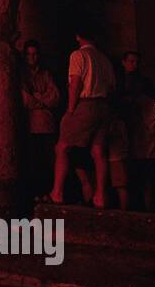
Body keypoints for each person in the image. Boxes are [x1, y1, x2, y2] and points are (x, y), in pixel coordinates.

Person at [49, 27, 116, 207]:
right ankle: (100, 196)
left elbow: (76, 83)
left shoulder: (78, 56)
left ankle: (57, 192)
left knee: (62, 147)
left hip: (84, 104)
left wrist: (71, 109)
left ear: (78, 36)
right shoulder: (104, 59)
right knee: (98, 151)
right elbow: (111, 87)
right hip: (103, 106)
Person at [118, 51, 155, 210]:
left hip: (143, 141)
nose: (134, 65)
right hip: (130, 141)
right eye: (131, 61)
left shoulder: (146, 95)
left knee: (145, 179)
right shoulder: (120, 83)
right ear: (124, 62)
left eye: (137, 62)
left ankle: (146, 209)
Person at [21, 41, 60, 199]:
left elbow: (55, 97)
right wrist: (42, 99)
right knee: (32, 162)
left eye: (35, 54)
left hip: (47, 125)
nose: (32, 57)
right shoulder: (22, 75)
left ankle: (46, 192)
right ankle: (34, 193)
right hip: (30, 125)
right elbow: (25, 100)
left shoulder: (46, 74)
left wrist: (38, 98)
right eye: (29, 54)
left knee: (48, 161)